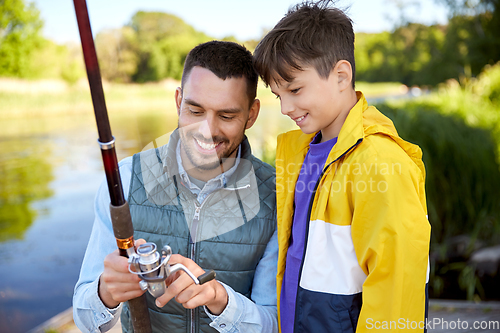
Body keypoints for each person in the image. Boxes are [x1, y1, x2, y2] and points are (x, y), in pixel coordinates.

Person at [73, 40, 279, 333]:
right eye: (195, 111)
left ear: (252, 114)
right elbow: (84, 319)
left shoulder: (277, 194)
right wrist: (105, 293)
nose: (207, 130)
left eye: (227, 115)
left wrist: (221, 300)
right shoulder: (126, 178)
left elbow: (274, 324)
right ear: (178, 101)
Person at [253, 1, 431, 332]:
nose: (286, 108)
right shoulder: (300, 154)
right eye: (278, 95)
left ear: (340, 75)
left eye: (294, 89)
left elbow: (397, 289)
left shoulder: (379, 163)